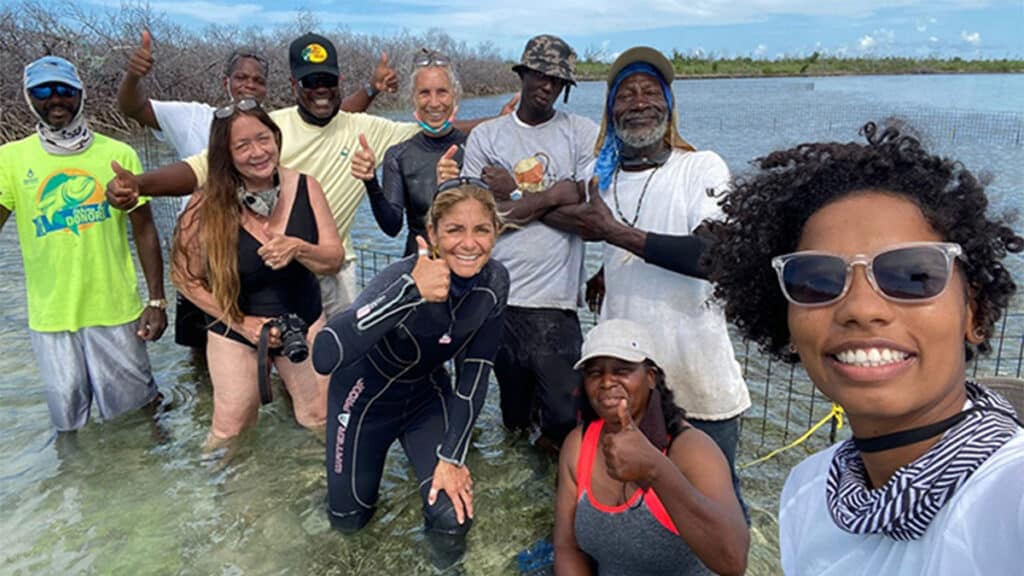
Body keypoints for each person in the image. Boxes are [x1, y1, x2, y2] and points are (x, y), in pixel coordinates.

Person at [704, 121, 1023, 575]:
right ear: (788, 324)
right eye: (816, 280)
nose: (860, 308)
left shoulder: (1010, 496)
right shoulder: (809, 490)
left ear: (976, 312)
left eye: (913, 274)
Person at [107, 33, 507, 319]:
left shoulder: (366, 128)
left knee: (332, 374)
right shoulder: (269, 129)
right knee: (266, 367)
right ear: (295, 85)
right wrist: (139, 185)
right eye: (311, 82)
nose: (321, 90)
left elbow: (438, 131)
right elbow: (200, 169)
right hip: (273, 268)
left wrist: (506, 121)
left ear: (339, 83)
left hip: (336, 267)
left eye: (328, 82)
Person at [116, 31, 397, 351]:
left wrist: (372, 90)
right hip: (215, 257)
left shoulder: (273, 127)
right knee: (209, 354)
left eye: (257, 81)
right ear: (226, 81)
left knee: (300, 355)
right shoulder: (194, 118)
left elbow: (329, 113)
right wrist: (139, 183)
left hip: (284, 266)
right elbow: (192, 168)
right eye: (241, 78)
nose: (248, 85)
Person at [572, 47, 751, 511]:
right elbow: (630, 228)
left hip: (698, 384)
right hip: (628, 385)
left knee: (716, 509)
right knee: (638, 503)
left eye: (650, 92)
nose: (637, 102)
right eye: (625, 95)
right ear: (610, 112)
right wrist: (608, 265)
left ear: (668, 104)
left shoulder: (701, 167)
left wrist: (614, 234)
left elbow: (713, 254)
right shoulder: (603, 178)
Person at [311, 180, 508, 565]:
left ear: (496, 233)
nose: (469, 244)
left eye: (481, 230)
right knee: (350, 524)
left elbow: (475, 374)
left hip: (426, 399)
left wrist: (452, 459)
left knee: (452, 516)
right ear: (431, 233)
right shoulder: (401, 276)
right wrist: (409, 293)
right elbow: (325, 354)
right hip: (362, 403)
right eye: (454, 230)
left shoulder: (494, 281)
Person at [157, 100, 344, 443]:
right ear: (225, 155)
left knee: (319, 420)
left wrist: (299, 248)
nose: (258, 152)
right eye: (242, 146)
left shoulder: (306, 185)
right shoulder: (204, 205)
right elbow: (185, 277)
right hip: (235, 327)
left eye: (263, 139)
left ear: (276, 138)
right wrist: (244, 325)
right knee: (229, 431)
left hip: (302, 321)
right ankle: (213, 495)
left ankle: (321, 490)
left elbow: (333, 259)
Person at [0, 56, 166, 431]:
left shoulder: (118, 155)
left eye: (65, 90)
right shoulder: (10, 159)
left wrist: (156, 300)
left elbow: (145, 229)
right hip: (50, 319)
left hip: (116, 311)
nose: (55, 99)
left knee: (138, 424)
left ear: (81, 94)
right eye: (43, 91)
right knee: (70, 433)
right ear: (29, 97)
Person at [455, 34, 599, 447]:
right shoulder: (486, 137)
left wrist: (515, 194)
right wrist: (556, 193)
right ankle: (517, 493)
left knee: (564, 415)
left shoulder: (581, 133)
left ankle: (557, 492)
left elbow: (589, 217)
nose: (548, 86)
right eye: (540, 74)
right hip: (498, 297)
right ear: (522, 74)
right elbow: (481, 220)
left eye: (558, 80)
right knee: (514, 418)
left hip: (556, 304)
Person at [553, 319, 749, 575]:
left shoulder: (692, 450)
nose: (607, 382)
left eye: (622, 371)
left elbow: (734, 562)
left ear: (651, 378)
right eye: (595, 373)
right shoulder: (579, 445)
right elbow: (567, 547)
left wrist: (656, 469)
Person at [351, 48, 468, 256]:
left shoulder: (474, 148)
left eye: (442, 92)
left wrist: (456, 188)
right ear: (413, 98)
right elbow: (391, 227)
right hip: (419, 265)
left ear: (455, 95)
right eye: (424, 93)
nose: (434, 103)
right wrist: (370, 182)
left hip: (467, 263)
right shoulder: (398, 155)